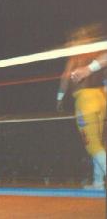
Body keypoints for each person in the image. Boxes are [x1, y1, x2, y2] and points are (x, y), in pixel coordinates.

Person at [56, 27, 106, 190]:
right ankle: (98, 182)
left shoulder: (75, 57)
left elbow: (65, 78)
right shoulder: (97, 54)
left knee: (92, 145)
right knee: (98, 144)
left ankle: (99, 181)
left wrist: (59, 98)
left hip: (85, 101)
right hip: (101, 98)